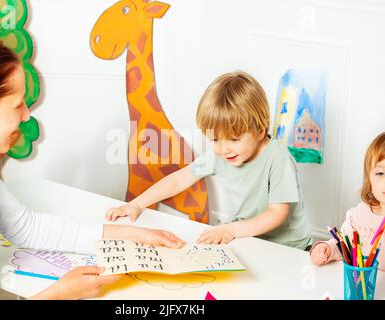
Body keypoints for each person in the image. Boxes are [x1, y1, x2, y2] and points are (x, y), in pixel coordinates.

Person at [0, 36, 184, 300]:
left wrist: (131, 235)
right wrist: (59, 294)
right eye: (17, 105)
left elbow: (26, 226)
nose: (26, 115)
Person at [106, 71, 312, 250]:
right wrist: (137, 204)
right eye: (214, 139)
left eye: (234, 138)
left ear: (260, 131)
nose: (223, 149)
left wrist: (230, 230)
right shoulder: (221, 154)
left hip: (288, 247)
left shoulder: (279, 159)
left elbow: (277, 214)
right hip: (248, 237)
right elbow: (180, 179)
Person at [310, 132, 385, 270]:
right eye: (380, 173)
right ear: (369, 178)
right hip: (360, 288)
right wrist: (327, 248)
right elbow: (344, 245)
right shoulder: (360, 214)